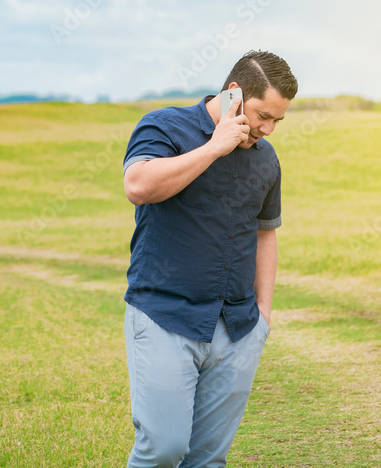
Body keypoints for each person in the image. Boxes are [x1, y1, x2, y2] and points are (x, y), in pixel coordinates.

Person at [121, 50, 298, 467]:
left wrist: (263, 316)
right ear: (234, 94)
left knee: (207, 460)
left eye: (277, 121)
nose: (268, 129)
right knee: (162, 450)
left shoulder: (266, 158)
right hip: (166, 315)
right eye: (262, 115)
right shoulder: (164, 125)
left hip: (238, 328)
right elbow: (138, 185)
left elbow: (265, 233)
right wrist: (215, 148)